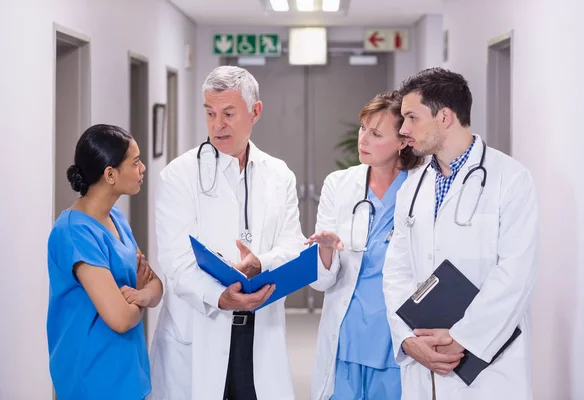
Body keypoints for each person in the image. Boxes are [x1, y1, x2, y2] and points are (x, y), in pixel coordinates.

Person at [149, 65, 306, 400]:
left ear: (255, 111)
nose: (217, 124)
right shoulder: (179, 175)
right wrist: (219, 296)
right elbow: (175, 261)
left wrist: (260, 262)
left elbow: (293, 243)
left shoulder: (279, 174)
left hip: (259, 330)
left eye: (229, 113)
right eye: (210, 113)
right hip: (199, 328)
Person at [382, 67, 539, 400]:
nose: (404, 129)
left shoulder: (509, 179)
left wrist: (462, 340)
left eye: (411, 117)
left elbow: (515, 275)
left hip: (487, 366)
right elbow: (396, 271)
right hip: (423, 362)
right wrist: (408, 341)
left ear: (444, 117)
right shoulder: (412, 187)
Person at [306, 90, 424, 400]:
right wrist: (327, 250)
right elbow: (321, 281)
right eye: (362, 128)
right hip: (347, 335)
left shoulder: (422, 188)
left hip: (396, 338)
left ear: (402, 141)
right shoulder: (339, 185)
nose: (363, 140)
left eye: (375, 133)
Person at [46, 124, 163, 400]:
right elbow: (121, 319)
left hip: (128, 370)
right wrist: (142, 300)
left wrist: (138, 297)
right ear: (110, 174)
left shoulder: (116, 219)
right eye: (135, 162)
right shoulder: (74, 232)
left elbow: (156, 286)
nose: (143, 168)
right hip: (92, 377)